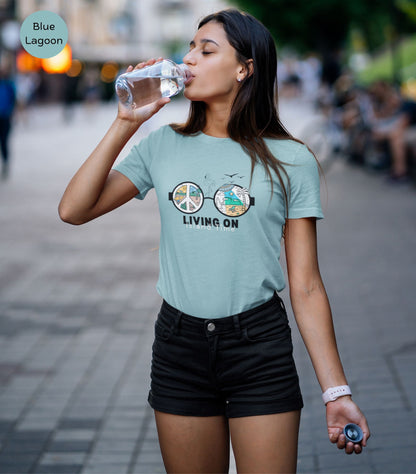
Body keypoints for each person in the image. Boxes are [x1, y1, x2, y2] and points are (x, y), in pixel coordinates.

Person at [59, 9, 370, 473]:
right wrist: (126, 121)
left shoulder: (291, 160)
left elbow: (305, 286)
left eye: (207, 50)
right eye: (190, 49)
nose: (189, 60)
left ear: (244, 68)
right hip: (179, 345)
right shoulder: (162, 145)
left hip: (259, 346)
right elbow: (73, 210)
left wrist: (336, 392)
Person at [0, 65, 16, 179]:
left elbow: (13, 100)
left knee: (4, 141)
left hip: (5, 117)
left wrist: (10, 112)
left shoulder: (9, 84)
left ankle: (5, 162)